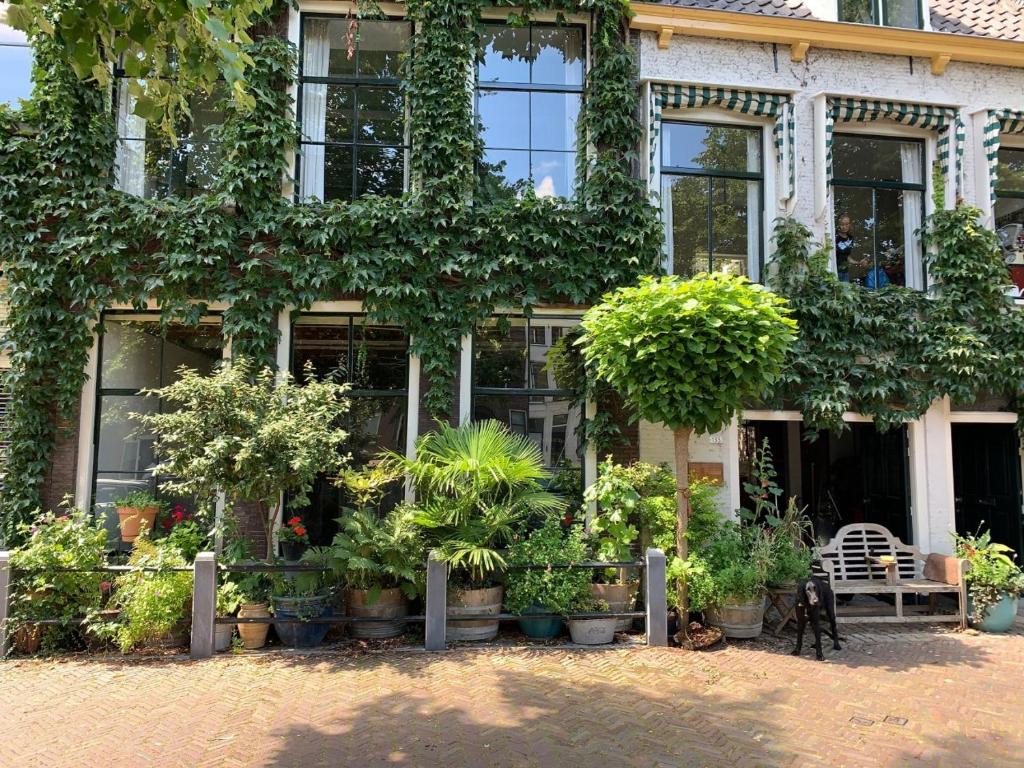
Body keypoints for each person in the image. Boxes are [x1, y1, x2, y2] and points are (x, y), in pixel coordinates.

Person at [835, 213, 869, 283]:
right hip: (834, 270)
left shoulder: (850, 239)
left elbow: (847, 256)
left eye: (847, 224)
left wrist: (859, 262)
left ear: (850, 224)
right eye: (842, 224)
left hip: (844, 271)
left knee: (846, 292)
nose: (844, 227)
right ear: (838, 225)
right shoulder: (834, 236)